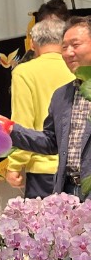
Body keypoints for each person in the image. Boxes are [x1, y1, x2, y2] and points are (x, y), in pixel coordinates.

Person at [9, 16, 91, 195]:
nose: (68, 53)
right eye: (64, 47)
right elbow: (52, 141)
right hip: (66, 189)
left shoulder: (24, 72)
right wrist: (10, 130)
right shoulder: (62, 94)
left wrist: (16, 164)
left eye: (75, 45)